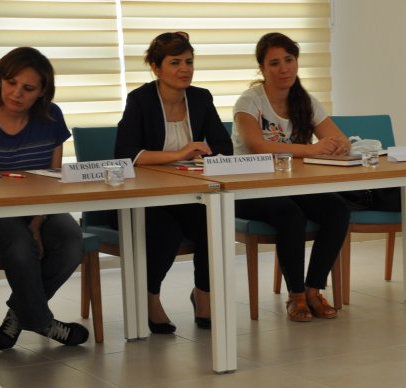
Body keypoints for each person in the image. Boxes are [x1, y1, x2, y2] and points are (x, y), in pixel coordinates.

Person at [115, 31, 232, 334]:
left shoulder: (201, 98)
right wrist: (178, 154)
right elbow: (125, 154)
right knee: (166, 231)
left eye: (189, 62)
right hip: (148, 196)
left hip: (190, 192)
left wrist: (207, 154)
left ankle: (203, 294)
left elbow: (224, 146)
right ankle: (150, 296)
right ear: (156, 68)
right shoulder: (140, 100)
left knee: (213, 222)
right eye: (175, 62)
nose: (185, 69)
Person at [231, 32, 349, 322]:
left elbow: (339, 138)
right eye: (274, 63)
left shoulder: (305, 101)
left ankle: (313, 289)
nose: (283, 68)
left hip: (293, 186)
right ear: (262, 69)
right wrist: (311, 149)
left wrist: (339, 146)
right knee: (290, 214)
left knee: (337, 209)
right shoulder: (249, 102)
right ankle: (296, 295)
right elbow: (258, 146)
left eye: (289, 60)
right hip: (249, 188)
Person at [0, 47, 89, 349]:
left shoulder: (51, 117)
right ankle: (43, 322)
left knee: (71, 240)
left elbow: (52, 178)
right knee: (20, 244)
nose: (16, 93)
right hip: (0, 210)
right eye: (11, 82)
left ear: (41, 92)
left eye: (28, 88)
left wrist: (38, 222)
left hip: (40, 205)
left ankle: (18, 315)